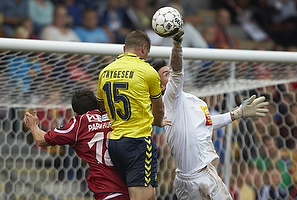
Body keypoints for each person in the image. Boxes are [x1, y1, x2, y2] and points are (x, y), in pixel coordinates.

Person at [152, 30, 269, 199]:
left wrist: (237, 113)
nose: (170, 74)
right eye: (165, 74)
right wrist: (177, 46)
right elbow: (178, 71)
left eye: (168, 71)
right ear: (161, 86)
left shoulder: (189, 100)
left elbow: (206, 123)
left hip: (196, 176)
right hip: (197, 179)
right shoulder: (170, 98)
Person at [97, 30, 170, 200]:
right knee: (141, 195)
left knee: (150, 193)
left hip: (115, 143)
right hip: (137, 142)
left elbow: (102, 107)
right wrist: (158, 122)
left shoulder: (105, 72)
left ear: (124, 48)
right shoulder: (147, 71)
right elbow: (159, 109)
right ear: (144, 49)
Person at [23, 88, 130, 200]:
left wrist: (33, 126)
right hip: (132, 186)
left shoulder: (79, 123)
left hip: (107, 189)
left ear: (75, 113)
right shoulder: (115, 118)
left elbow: (41, 140)